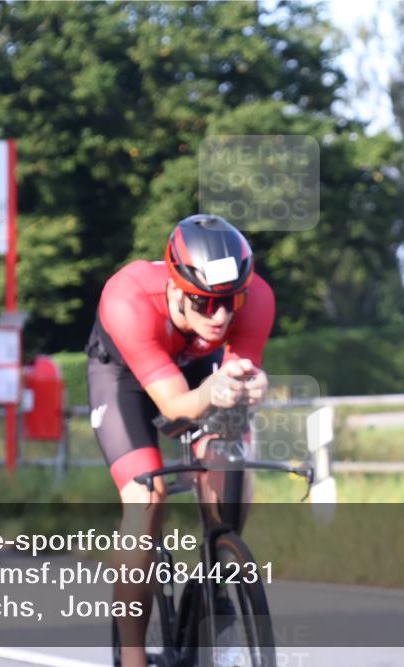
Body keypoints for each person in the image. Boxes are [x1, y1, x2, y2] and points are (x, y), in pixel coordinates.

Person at [85, 214, 275, 667]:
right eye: (205, 303)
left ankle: (216, 579)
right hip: (124, 376)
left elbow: (232, 391)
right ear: (175, 287)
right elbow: (173, 407)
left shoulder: (258, 299)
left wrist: (248, 389)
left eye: (231, 301)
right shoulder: (128, 299)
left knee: (228, 463)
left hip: (195, 369)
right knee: (147, 495)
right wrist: (213, 392)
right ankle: (132, 657)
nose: (222, 315)